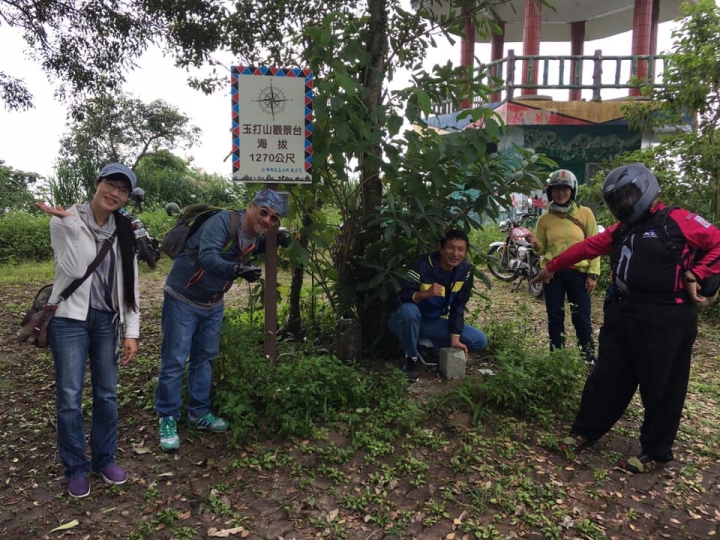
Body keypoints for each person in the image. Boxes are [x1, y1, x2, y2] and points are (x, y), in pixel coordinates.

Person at [532, 163, 720, 474]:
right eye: (616, 199)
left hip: (668, 316)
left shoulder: (677, 220)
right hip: (623, 311)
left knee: (662, 384)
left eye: (627, 195)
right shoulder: (621, 231)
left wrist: (695, 273)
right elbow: (583, 248)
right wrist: (551, 267)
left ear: (644, 189)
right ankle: (585, 431)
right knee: (606, 376)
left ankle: (656, 452)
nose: (623, 203)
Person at [155, 189, 288, 452]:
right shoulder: (223, 223)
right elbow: (208, 256)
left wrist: (276, 241)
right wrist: (236, 270)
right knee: (174, 361)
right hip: (183, 296)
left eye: (273, 218)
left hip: (212, 302)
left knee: (204, 358)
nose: (267, 220)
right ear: (250, 206)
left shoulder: (252, 233)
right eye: (263, 212)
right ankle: (167, 417)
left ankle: (198, 413)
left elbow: (243, 248)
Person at [37, 163, 140, 498]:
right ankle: (75, 466)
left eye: (123, 190)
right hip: (69, 319)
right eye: (111, 184)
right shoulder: (64, 218)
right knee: (69, 397)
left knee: (107, 394)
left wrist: (132, 330)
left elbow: (131, 282)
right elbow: (74, 268)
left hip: (106, 320)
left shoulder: (124, 228)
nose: (115, 194)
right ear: (97, 184)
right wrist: (70, 226)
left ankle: (104, 459)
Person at [388, 229, 488, 381]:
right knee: (409, 311)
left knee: (479, 340)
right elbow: (401, 297)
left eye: (460, 249)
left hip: (431, 323)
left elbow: (458, 306)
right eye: (450, 247)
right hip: (404, 320)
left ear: (465, 251)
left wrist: (455, 338)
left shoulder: (464, 271)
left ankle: (425, 345)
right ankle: (411, 358)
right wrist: (424, 294)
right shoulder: (422, 265)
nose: (455, 254)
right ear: (440, 248)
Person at [524, 169, 600, 366]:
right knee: (555, 318)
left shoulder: (585, 214)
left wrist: (593, 274)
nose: (561, 193)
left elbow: (594, 244)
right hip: (553, 274)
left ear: (572, 191)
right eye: (556, 189)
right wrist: (534, 241)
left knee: (582, 319)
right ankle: (556, 361)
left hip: (580, 273)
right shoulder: (544, 219)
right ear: (550, 192)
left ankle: (589, 360)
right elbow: (542, 250)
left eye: (565, 189)